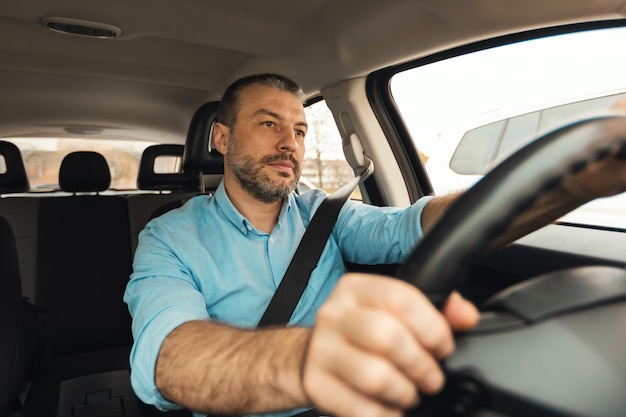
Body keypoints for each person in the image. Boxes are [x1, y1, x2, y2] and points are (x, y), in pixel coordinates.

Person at [124, 73, 626, 417]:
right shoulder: (169, 236)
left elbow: (415, 226)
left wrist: (573, 183)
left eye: (299, 130)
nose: (290, 144)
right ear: (221, 138)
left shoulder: (324, 214)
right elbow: (168, 354)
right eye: (268, 123)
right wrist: (311, 361)